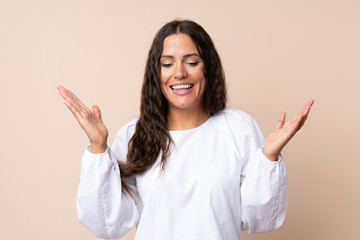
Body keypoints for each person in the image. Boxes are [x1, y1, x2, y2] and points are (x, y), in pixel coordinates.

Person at [57, 19, 314, 240]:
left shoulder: (238, 128)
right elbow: (107, 223)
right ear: (155, 74)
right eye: (167, 64)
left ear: (207, 68)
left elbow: (258, 218)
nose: (179, 73)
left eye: (191, 62)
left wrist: (268, 159)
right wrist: (98, 148)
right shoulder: (134, 135)